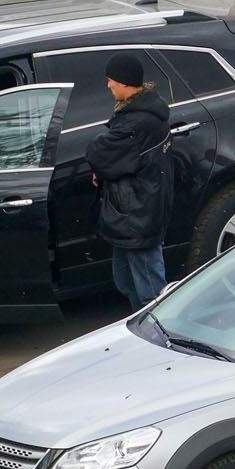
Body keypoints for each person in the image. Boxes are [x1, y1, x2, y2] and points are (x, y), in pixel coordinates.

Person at [84, 52, 174, 309]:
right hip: (132, 215)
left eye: (111, 80)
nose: (108, 85)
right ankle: (142, 326)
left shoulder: (137, 123)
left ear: (124, 82)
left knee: (151, 293)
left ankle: (157, 337)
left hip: (138, 218)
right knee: (126, 281)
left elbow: (98, 152)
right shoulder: (143, 111)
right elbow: (120, 159)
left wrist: (101, 165)